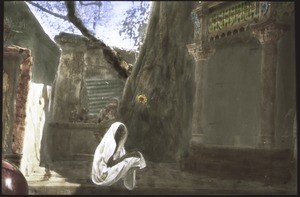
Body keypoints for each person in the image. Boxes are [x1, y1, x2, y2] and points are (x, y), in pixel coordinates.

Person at [91, 122, 146, 190]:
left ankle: (129, 181)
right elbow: (110, 164)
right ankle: (128, 181)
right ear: (114, 131)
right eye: (119, 132)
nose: (121, 134)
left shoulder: (118, 144)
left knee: (134, 158)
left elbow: (118, 159)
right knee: (133, 160)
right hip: (102, 175)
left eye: (123, 132)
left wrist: (128, 156)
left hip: (107, 171)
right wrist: (127, 156)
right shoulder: (110, 143)